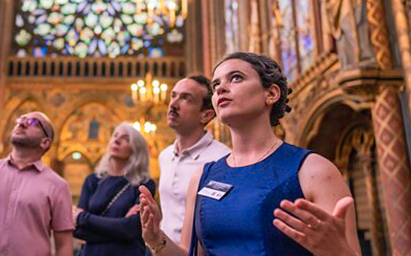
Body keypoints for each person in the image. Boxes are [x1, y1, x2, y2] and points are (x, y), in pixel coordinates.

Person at [139, 52, 361, 256]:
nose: (220, 89)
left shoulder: (315, 171)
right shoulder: (202, 177)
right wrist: (157, 238)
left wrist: (339, 251)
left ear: (271, 93)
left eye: (235, 78)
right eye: (216, 84)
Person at [0, 112, 73, 256]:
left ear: (45, 142)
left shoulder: (57, 186)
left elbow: (64, 243)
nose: (22, 123)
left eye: (33, 122)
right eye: (21, 119)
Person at [158, 75, 231, 244]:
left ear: (205, 115)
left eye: (186, 98)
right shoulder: (165, 156)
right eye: (173, 95)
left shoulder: (222, 159)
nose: (173, 105)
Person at [72, 122, 156, 256]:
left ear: (136, 149)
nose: (116, 140)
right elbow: (78, 231)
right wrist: (120, 225)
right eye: (115, 135)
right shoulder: (93, 180)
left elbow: (130, 230)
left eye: (125, 138)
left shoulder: (144, 184)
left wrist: (83, 217)